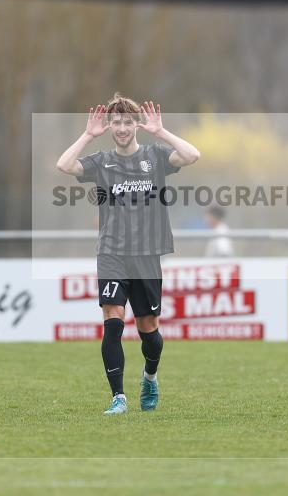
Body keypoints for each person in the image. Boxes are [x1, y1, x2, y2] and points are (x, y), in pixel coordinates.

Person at [56, 93, 200, 415]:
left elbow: (192, 155)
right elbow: (64, 165)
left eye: (127, 121)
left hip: (146, 255)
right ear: (109, 126)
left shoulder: (155, 156)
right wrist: (87, 135)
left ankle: (150, 377)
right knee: (113, 320)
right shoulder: (101, 161)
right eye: (116, 122)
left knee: (149, 330)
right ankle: (118, 397)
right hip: (111, 252)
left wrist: (160, 131)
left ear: (136, 123)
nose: (122, 128)